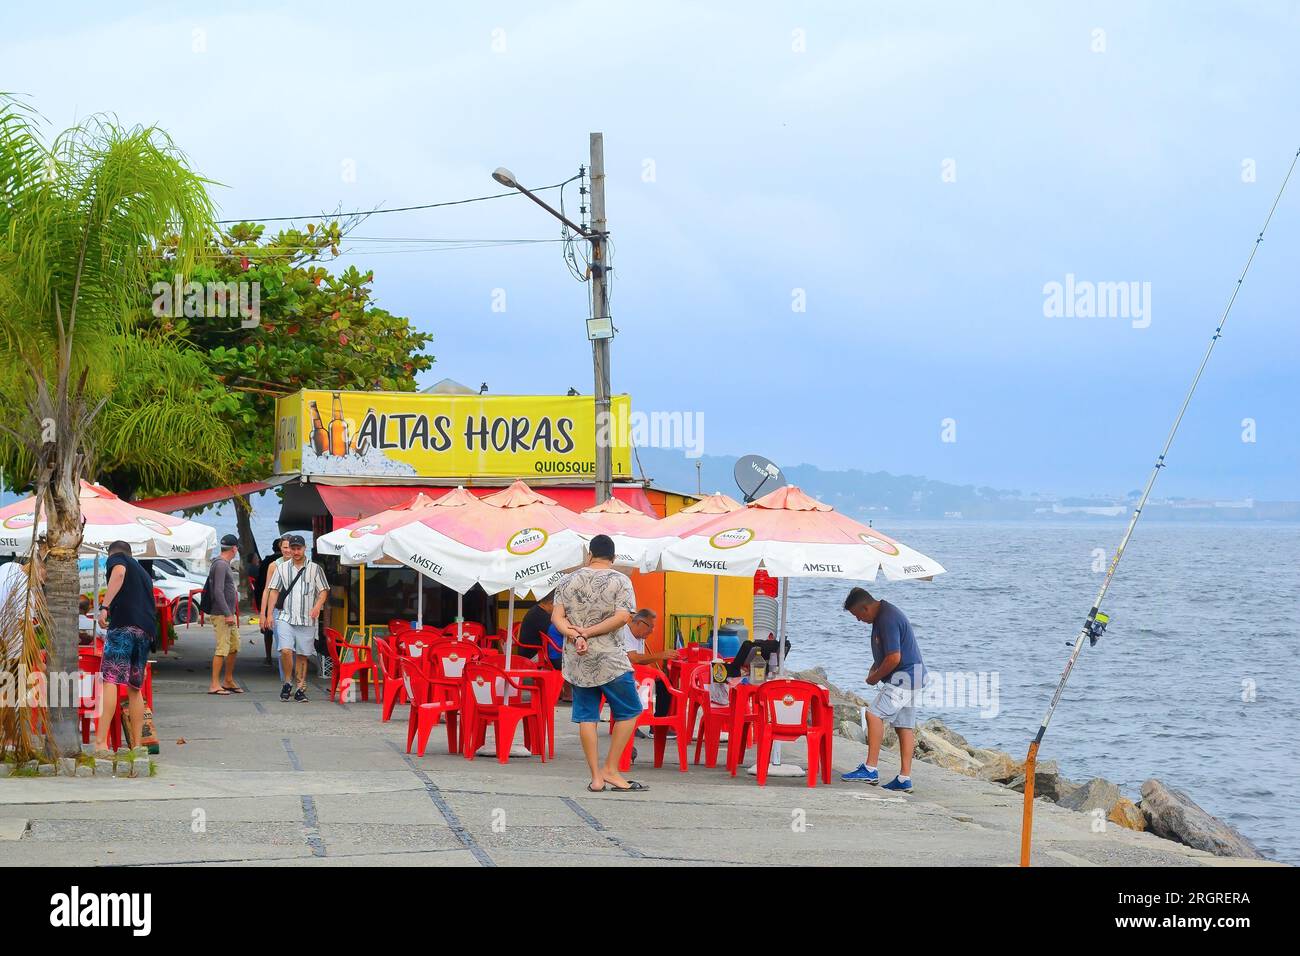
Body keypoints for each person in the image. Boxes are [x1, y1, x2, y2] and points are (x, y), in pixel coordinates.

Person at [552, 534, 645, 793]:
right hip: (610, 659)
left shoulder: (566, 580)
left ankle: (595, 777)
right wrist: (590, 633)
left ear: (589, 554)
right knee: (630, 711)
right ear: (613, 558)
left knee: (586, 717)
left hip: (577, 659)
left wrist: (575, 634)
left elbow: (557, 617)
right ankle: (610, 769)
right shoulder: (620, 580)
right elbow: (623, 617)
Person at [840, 587, 926, 792]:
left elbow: (894, 657)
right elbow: (886, 651)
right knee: (904, 725)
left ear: (866, 607)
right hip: (915, 677)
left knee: (873, 714)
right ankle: (904, 778)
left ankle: (870, 769)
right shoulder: (883, 615)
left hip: (903, 678)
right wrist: (875, 668)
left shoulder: (887, 618)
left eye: (857, 615)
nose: (858, 620)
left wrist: (875, 678)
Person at [94, 541, 155, 757]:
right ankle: (137, 745)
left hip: (123, 628)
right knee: (134, 688)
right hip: (145, 632)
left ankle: (101, 743)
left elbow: (118, 573)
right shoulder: (144, 574)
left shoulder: (117, 558)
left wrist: (104, 607)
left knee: (111, 680)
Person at [261, 534, 328, 703]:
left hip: (306, 619)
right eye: (293, 548)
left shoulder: (315, 569)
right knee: (285, 650)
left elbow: (323, 590)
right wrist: (269, 614)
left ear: (304, 549)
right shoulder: (281, 568)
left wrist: (317, 605)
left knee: (302, 655)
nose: (296, 551)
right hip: (285, 616)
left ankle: (299, 688)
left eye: (299, 548)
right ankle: (287, 682)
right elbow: (273, 590)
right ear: (288, 549)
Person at [205, 534, 243, 695]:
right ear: (234, 548)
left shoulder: (223, 563)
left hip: (228, 613)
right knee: (222, 648)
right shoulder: (221, 565)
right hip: (222, 614)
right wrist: (228, 613)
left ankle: (228, 679)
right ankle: (214, 684)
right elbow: (218, 591)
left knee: (234, 646)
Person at [622, 609, 675, 721]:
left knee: (665, 685)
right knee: (655, 684)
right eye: (650, 627)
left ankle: (658, 724)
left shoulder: (640, 636)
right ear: (639, 623)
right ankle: (644, 722)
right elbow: (634, 658)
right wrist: (660, 655)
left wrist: (653, 672)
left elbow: (641, 660)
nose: (652, 631)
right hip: (622, 675)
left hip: (636, 674)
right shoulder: (624, 633)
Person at [253, 537, 281, 666]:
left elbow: (260, 583)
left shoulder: (267, 562)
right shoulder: (288, 561)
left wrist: (261, 608)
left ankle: (268, 656)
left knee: (268, 631)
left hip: (267, 598)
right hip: (281, 601)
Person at [515, 592, 554, 660]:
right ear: (551, 603)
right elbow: (555, 635)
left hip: (524, 653)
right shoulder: (543, 617)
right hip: (532, 656)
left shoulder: (536, 609)